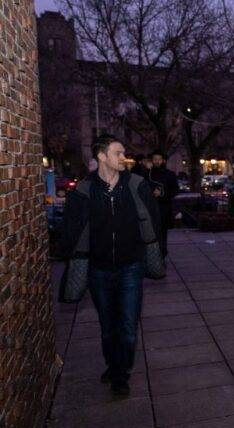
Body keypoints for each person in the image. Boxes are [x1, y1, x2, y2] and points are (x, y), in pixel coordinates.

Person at [62, 134, 161, 395]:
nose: (123, 158)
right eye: (118, 153)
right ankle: (113, 364)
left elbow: (154, 220)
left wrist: (155, 253)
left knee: (128, 326)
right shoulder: (84, 191)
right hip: (99, 269)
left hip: (131, 267)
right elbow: (71, 229)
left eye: (123, 153)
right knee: (108, 327)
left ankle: (120, 374)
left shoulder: (136, 185)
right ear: (102, 156)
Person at [147, 150, 179, 258]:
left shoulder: (170, 174)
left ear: (163, 160)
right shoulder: (148, 174)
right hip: (150, 208)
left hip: (163, 208)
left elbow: (175, 190)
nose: (157, 161)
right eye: (155, 159)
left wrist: (162, 193)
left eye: (159, 159)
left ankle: (162, 254)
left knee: (162, 233)